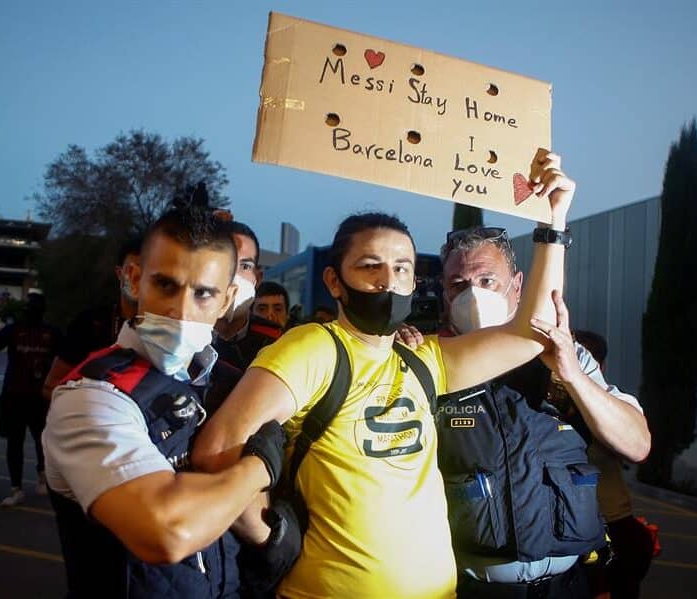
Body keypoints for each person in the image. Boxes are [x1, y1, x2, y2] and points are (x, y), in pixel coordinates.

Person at [192, 149, 574, 598]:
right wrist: (266, 533)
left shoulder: (425, 360)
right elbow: (216, 451)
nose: (387, 281)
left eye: (402, 269)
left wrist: (554, 221)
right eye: (370, 266)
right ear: (335, 282)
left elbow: (534, 332)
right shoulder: (314, 348)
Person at [42, 205, 287, 598]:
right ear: (135, 280)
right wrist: (260, 466)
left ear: (225, 302)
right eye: (166, 285)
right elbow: (167, 535)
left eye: (203, 293)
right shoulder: (92, 396)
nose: (181, 310)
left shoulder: (227, 382)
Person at [425, 225, 650, 598]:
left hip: (568, 585)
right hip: (472, 588)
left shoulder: (567, 356)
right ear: (444, 293)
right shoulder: (431, 363)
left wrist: (573, 376)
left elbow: (637, 444)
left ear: (517, 285)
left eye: (486, 280)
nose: (473, 295)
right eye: (458, 284)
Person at [574, 330, 655, 599]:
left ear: (599, 367)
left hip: (613, 529)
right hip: (572, 533)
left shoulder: (615, 405)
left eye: (584, 359)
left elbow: (636, 446)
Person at [0, 289, 62, 506]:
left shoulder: (52, 334)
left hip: (39, 398)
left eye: (33, 308)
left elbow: (67, 358)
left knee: (42, 441)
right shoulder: (13, 330)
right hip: (15, 396)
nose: (30, 312)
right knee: (16, 443)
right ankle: (17, 488)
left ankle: (41, 476)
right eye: (28, 308)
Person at [41, 236, 141, 400]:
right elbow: (51, 385)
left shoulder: (166, 329)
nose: (137, 279)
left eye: (146, 272)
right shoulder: (90, 323)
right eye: (132, 270)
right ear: (119, 273)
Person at [213, 221, 282, 370]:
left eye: (245, 267)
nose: (233, 277)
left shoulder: (276, 342)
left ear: (258, 278)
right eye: (224, 263)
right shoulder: (186, 334)